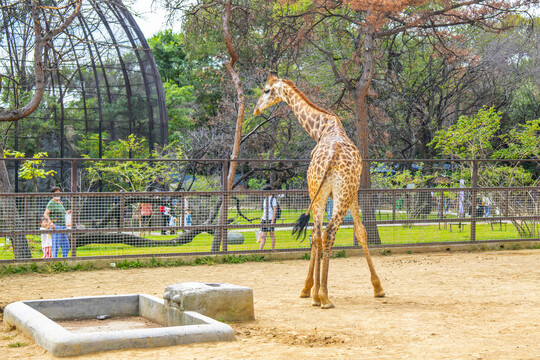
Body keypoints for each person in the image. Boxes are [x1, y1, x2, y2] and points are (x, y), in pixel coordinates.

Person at [43, 186, 71, 258]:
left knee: (66, 246)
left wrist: (66, 212)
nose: (58, 194)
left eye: (59, 192)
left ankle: (65, 260)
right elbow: (45, 214)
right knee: (56, 246)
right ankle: (54, 262)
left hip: (63, 227)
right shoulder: (51, 203)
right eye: (56, 193)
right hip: (56, 226)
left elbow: (59, 212)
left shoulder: (60, 202)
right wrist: (51, 223)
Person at [259, 185, 277, 251]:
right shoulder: (265, 199)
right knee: (263, 235)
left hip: (270, 219)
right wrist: (262, 218)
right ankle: (260, 250)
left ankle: (272, 249)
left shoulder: (273, 199)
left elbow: (275, 210)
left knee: (271, 234)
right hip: (265, 219)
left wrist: (272, 221)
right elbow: (265, 210)